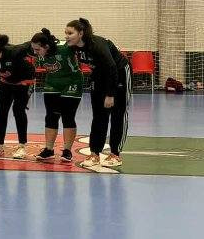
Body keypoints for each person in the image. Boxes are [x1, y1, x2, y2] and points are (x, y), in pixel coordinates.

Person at [66, 18, 130, 167]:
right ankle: (94, 153)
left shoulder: (97, 45)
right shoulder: (73, 46)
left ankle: (115, 154)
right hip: (98, 76)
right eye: (66, 33)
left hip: (119, 74)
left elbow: (112, 68)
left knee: (118, 114)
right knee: (99, 115)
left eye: (70, 33)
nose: (66, 36)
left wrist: (110, 95)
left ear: (81, 33)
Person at [30, 28, 83, 163]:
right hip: (52, 83)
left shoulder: (66, 48)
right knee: (51, 116)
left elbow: (84, 44)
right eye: (33, 49)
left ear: (46, 46)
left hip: (72, 82)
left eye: (37, 50)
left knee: (68, 116)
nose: (35, 52)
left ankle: (67, 150)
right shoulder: (39, 53)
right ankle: (49, 150)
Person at [0, 35, 35, 158]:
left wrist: (44, 39)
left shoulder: (14, 52)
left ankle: (22, 146)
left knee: (18, 110)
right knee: (1, 112)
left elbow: (28, 44)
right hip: (6, 82)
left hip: (24, 82)